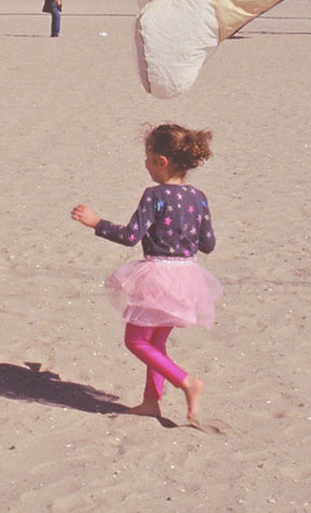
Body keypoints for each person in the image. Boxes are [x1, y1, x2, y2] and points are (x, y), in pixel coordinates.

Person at [71, 123, 219, 425]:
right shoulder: (198, 197)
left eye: (148, 157)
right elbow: (209, 243)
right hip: (187, 277)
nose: (146, 163)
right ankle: (151, 402)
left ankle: (187, 382)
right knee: (156, 344)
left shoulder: (155, 195)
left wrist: (96, 222)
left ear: (161, 162)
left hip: (157, 276)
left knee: (136, 341)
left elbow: (130, 236)